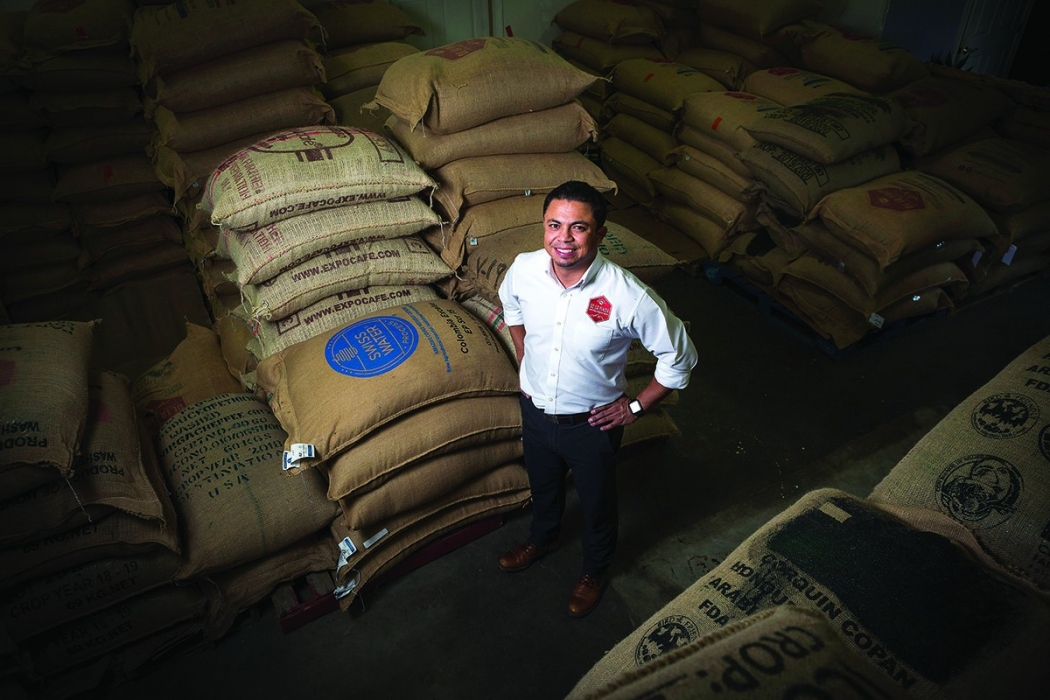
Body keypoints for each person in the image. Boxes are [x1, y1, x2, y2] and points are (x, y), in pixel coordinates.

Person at [496, 180, 697, 617]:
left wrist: (636, 406)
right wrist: (524, 357)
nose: (563, 238)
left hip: (590, 426)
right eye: (554, 225)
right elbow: (511, 307)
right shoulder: (525, 269)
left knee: (597, 503)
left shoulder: (628, 296)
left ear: (600, 233)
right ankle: (541, 539)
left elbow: (680, 357)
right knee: (543, 486)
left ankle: (594, 570)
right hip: (535, 413)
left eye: (579, 227)